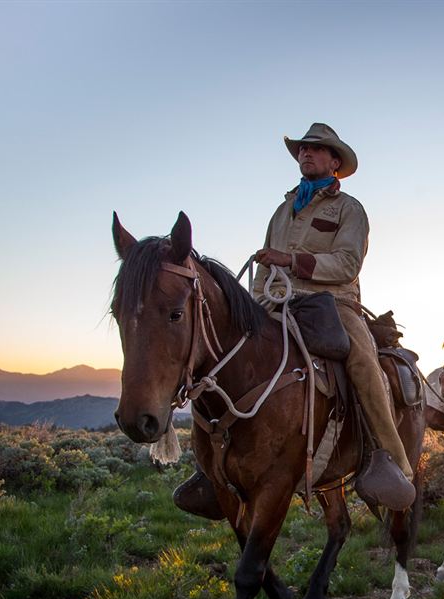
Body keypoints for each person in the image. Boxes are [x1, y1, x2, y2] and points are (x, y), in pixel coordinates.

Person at [173, 123, 414, 519]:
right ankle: (209, 469)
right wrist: (249, 306)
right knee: (220, 354)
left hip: (333, 302)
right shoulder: (283, 211)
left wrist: (292, 261)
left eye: (317, 150)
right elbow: (266, 267)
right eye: (303, 149)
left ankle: (388, 459)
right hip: (276, 301)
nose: (307, 154)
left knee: (363, 362)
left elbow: (347, 263)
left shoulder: (350, 210)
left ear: (335, 163)